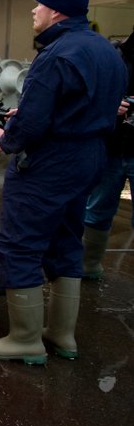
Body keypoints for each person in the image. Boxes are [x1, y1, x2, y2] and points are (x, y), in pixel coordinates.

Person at [0, 0, 125, 364]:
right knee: (65, 238)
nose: (33, 11)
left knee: (20, 242)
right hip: (91, 155)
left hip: (51, 161)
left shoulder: (56, 54)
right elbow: (94, 105)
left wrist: (7, 139)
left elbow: (34, 121)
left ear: (57, 11)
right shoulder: (106, 50)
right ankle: (62, 335)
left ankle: (25, 339)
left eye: (38, 6)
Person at [82, 29, 134, 280]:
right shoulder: (114, 55)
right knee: (98, 208)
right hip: (112, 146)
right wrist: (112, 104)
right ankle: (88, 267)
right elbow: (88, 95)